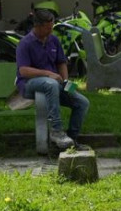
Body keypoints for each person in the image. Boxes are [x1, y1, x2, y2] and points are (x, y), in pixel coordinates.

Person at [16, 8, 91, 155]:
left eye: (52, 27)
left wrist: (66, 83)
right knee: (49, 83)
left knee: (82, 102)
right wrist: (48, 73)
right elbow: (23, 71)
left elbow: (61, 63)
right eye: (48, 28)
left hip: (55, 85)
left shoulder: (54, 40)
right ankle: (56, 131)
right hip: (29, 84)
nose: (51, 31)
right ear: (37, 26)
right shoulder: (25, 43)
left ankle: (71, 141)